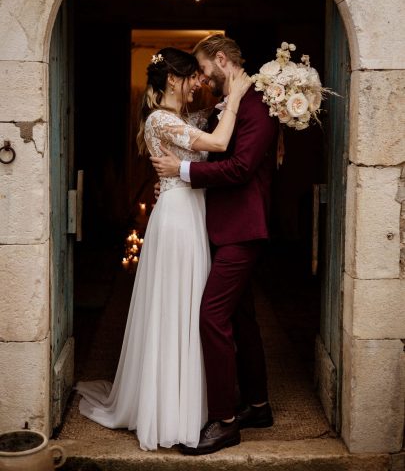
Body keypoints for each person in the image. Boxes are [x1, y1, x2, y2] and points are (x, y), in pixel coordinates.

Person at [76, 47, 251, 451]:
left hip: (191, 215)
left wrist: (224, 100)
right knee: (174, 306)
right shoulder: (160, 119)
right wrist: (238, 97)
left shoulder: (182, 118)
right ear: (173, 78)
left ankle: (185, 400)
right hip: (175, 219)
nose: (197, 83)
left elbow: (201, 140)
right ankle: (167, 409)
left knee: (190, 308)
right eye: (192, 76)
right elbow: (220, 143)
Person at [151, 35, 279, 455]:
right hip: (222, 225)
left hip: (242, 228)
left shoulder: (257, 103)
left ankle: (224, 421)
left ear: (222, 60)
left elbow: (241, 166)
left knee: (211, 317)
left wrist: (182, 170)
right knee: (241, 318)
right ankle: (257, 406)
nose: (201, 79)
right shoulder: (228, 105)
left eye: (204, 69)